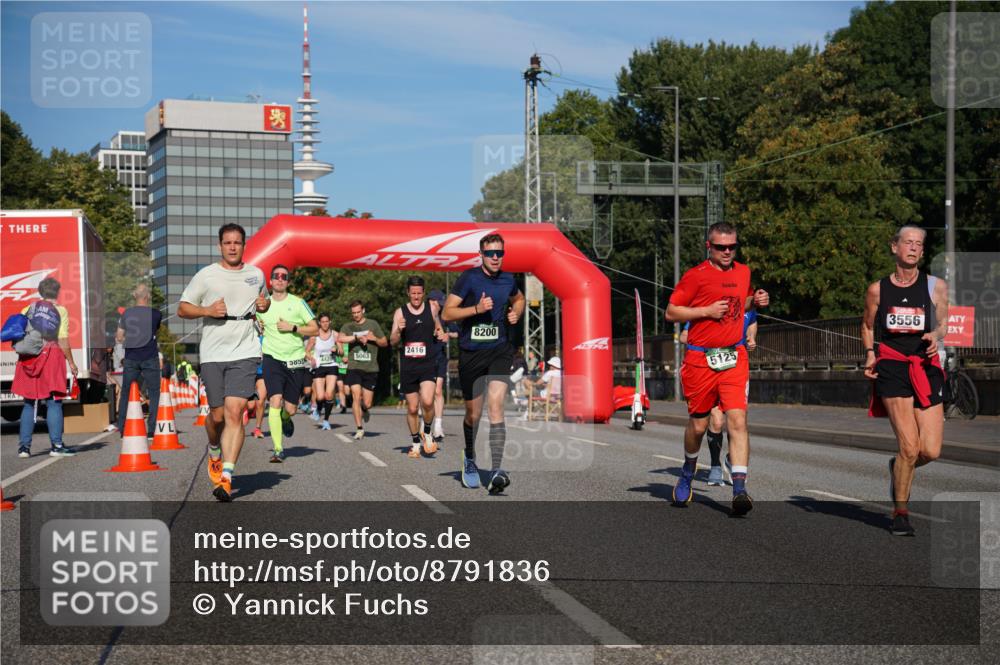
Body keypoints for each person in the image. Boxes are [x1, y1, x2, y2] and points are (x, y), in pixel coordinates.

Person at [666, 222, 769, 516]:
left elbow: (742, 302)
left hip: (734, 357)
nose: (727, 251)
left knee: (737, 420)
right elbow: (671, 311)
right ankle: (687, 471)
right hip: (700, 360)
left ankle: (739, 490)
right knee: (699, 426)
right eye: (721, 247)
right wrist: (705, 312)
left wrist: (757, 301)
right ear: (708, 247)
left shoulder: (743, 272)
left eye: (732, 246)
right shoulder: (695, 276)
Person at [862, 225, 947, 537]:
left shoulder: (936, 287)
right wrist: (871, 354)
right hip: (894, 367)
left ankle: (898, 467)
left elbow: (944, 323)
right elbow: (868, 325)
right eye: (907, 242)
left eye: (919, 244)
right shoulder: (878, 290)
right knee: (910, 447)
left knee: (931, 451)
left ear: (923, 252)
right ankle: (900, 513)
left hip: (926, 367)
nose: (913, 248)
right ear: (894, 247)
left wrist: (936, 335)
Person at [178, 223, 270, 502]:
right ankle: (214, 447)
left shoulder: (256, 274)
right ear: (220, 246)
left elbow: (261, 303)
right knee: (217, 417)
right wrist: (207, 310)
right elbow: (182, 308)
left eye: (237, 242)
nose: (232, 247)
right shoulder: (206, 275)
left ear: (244, 245)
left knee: (235, 412)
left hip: (245, 350)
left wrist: (264, 306)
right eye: (227, 242)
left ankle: (227, 478)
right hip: (214, 352)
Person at [442, 232, 525, 493]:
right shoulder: (469, 278)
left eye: (500, 253)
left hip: (500, 351)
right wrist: (476, 309)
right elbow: (447, 313)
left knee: (497, 405)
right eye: (490, 253)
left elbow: (519, 299)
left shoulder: (508, 279)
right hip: (471, 353)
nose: (495, 258)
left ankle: (497, 469)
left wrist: (516, 313)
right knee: (474, 414)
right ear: (481, 255)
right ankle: (469, 457)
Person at [680, 310, 759, 486]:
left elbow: (752, 322)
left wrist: (751, 337)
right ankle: (715, 466)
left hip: (734, 369)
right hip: (709, 370)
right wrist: (707, 341)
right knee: (715, 422)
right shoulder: (712, 308)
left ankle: (733, 462)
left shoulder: (747, 307)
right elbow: (684, 335)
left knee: (737, 421)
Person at [257, 265, 318, 462]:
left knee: (290, 408)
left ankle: (285, 417)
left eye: (284, 276)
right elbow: (252, 323)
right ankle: (278, 449)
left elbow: (315, 329)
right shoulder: (262, 305)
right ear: (271, 281)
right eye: (276, 276)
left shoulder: (298, 303)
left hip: (295, 361)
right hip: (272, 359)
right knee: (274, 400)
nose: (280, 279)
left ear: (288, 281)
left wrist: (292, 327)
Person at [14, 277, 77, 457]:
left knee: (28, 402)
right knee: (54, 401)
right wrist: (72, 362)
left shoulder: (28, 309)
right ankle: (56, 446)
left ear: (41, 292)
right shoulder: (60, 310)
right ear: (57, 292)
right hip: (51, 356)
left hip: (29, 358)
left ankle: (24, 448)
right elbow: (63, 339)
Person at [390, 276, 443, 458]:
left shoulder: (432, 308)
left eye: (419, 293)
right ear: (408, 293)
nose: (416, 296)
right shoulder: (400, 313)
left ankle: (427, 432)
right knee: (412, 408)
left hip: (427, 363)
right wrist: (399, 329)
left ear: (423, 293)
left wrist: (440, 332)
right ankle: (415, 443)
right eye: (413, 293)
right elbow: (393, 340)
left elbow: (438, 328)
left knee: (428, 401)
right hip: (409, 366)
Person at [115, 283, 162, 438]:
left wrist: (128, 340)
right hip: (150, 357)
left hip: (131, 358)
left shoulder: (127, 314)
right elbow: (155, 331)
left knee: (126, 393)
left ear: (134, 296)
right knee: (154, 393)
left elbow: (119, 336)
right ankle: (151, 430)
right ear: (147, 297)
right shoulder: (156, 314)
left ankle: (122, 428)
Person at [338, 300, 388, 440]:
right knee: (355, 395)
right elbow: (340, 338)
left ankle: (364, 409)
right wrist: (355, 338)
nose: (356, 315)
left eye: (358, 312)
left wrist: (374, 338)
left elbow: (385, 342)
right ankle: (359, 428)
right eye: (353, 313)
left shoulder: (373, 324)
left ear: (363, 310)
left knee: (367, 403)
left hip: (370, 368)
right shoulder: (348, 326)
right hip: (354, 366)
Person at [428, 289, 459, 444]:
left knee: (438, 390)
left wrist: (448, 335)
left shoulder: (444, 316)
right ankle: (425, 421)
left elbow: (458, 333)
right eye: (438, 304)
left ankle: (438, 425)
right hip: (424, 358)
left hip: (439, 357)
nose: (440, 306)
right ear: (431, 302)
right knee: (426, 394)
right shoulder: (420, 315)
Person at [305, 313, 341, 431]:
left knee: (329, 394)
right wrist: (311, 359)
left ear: (330, 321)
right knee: (320, 396)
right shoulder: (314, 336)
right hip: (319, 367)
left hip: (332, 365)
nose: (325, 323)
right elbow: (306, 352)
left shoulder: (335, 335)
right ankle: (318, 409)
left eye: (327, 321)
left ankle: (326, 420)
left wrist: (337, 349)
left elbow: (342, 351)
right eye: (323, 322)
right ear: (319, 323)